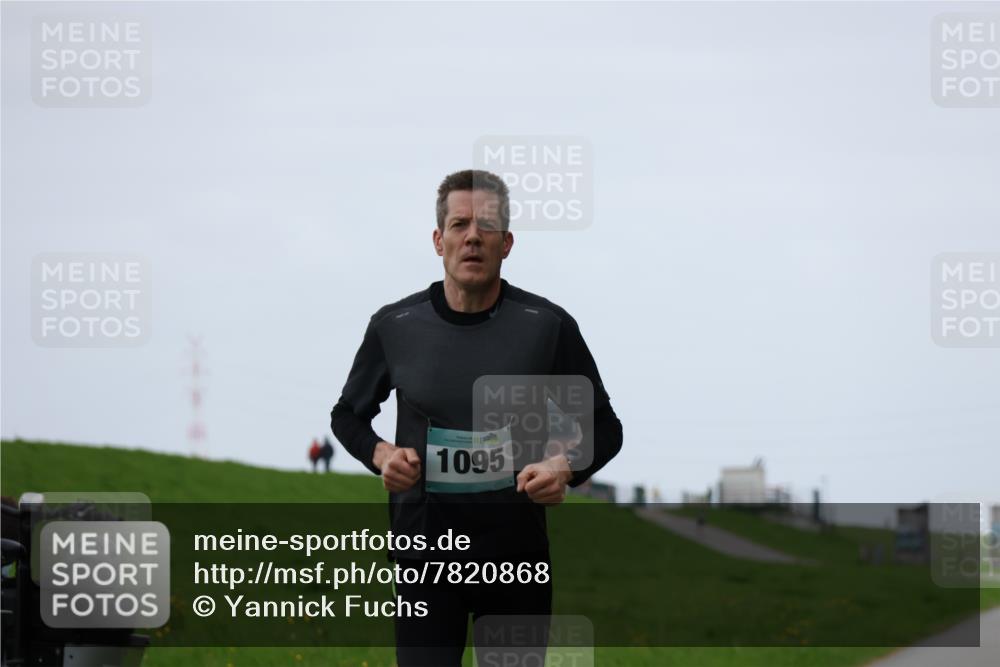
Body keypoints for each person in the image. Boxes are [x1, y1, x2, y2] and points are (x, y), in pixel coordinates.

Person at [330, 169, 623, 666]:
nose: (472, 236)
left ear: (507, 243)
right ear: (437, 239)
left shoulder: (546, 326)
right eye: (459, 224)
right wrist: (380, 455)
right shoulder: (395, 326)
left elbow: (604, 427)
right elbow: (347, 416)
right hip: (423, 558)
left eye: (486, 226)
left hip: (515, 560)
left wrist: (564, 468)